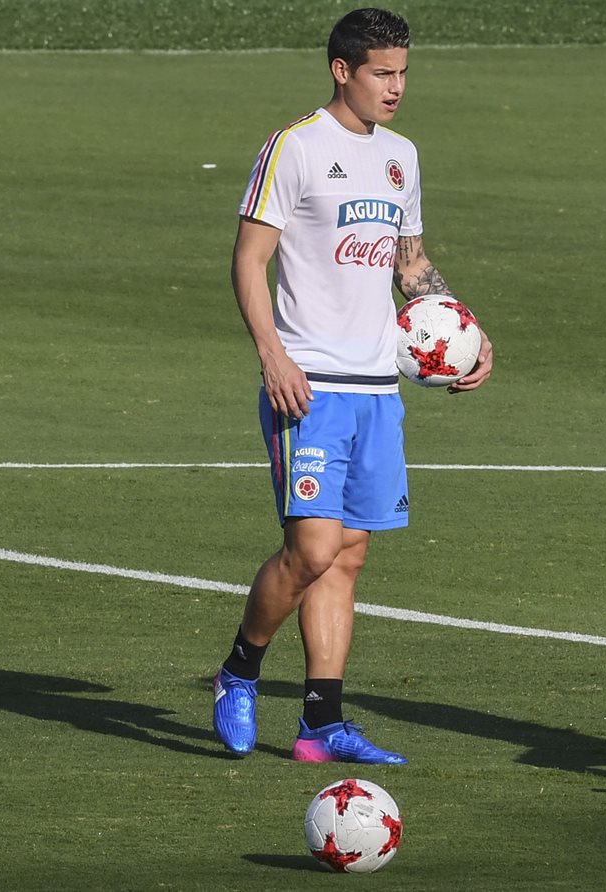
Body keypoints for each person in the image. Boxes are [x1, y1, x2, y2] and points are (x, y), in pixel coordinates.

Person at [212, 7, 494, 764]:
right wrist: (273, 356)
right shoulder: (294, 147)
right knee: (310, 550)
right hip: (309, 382)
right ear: (343, 70)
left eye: (403, 72)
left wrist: (464, 331)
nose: (396, 87)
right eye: (382, 72)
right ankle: (238, 671)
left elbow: (410, 265)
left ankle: (320, 724)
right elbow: (248, 260)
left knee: (349, 555)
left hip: (377, 388)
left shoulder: (401, 156)